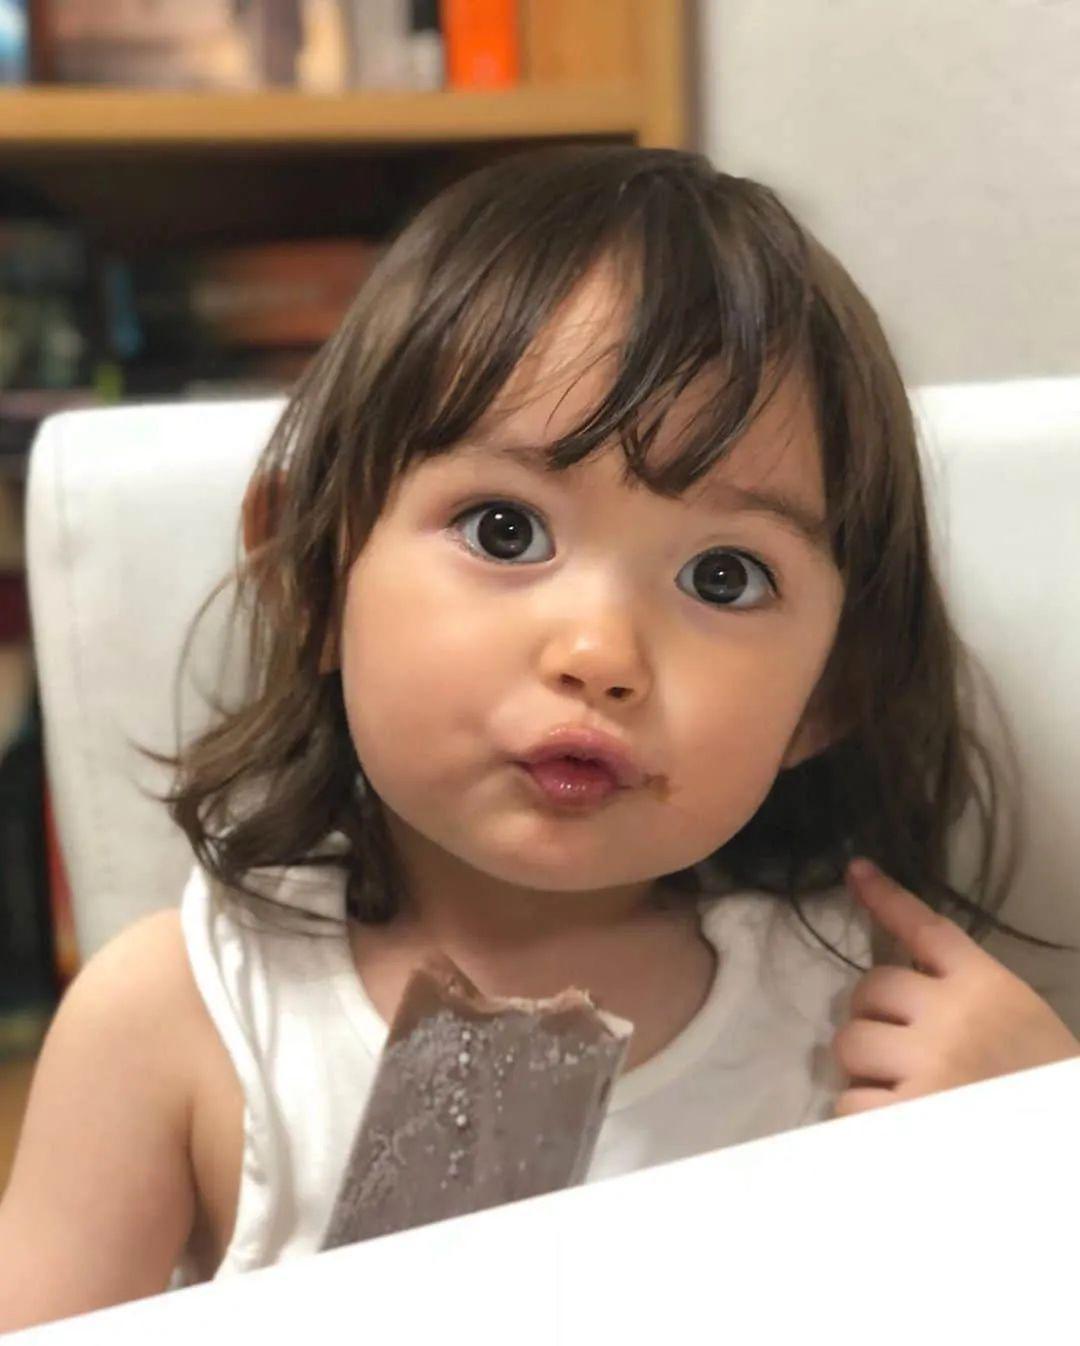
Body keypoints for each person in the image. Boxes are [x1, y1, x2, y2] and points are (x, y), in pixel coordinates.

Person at [1, 145, 1076, 1330]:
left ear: (832, 688)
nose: (600, 651)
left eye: (724, 575)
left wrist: (1037, 1150)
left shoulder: (867, 1023)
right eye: (504, 529)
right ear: (313, 577)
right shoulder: (180, 1019)